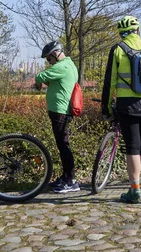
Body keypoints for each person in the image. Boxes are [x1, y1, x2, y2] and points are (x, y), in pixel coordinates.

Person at [101, 16, 141, 204]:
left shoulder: (118, 50)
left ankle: (135, 191)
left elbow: (109, 82)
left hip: (127, 105)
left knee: (133, 148)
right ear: (138, 30)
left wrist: (105, 108)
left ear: (121, 33)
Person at [34, 41, 80, 193]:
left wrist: (39, 81)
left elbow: (40, 76)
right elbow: (51, 79)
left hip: (60, 111)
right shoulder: (68, 65)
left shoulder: (62, 66)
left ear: (55, 54)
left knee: (64, 146)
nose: (49, 63)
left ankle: (71, 181)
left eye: (49, 59)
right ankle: (66, 176)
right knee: (62, 146)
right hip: (61, 111)